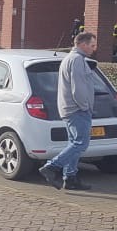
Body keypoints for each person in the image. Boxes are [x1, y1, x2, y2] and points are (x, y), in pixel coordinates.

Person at [40, 32, 99, 192]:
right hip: (77, 109)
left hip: (71, 109)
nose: (94, 49)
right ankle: (51, 167)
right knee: (81, 143)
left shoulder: (71, 59)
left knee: (74, 143)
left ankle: (70, 177)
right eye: (92, 45)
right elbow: (78, 88)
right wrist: (85, 106)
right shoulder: (77, 60)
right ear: (83, 44)